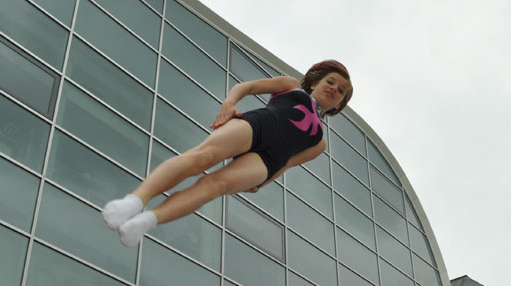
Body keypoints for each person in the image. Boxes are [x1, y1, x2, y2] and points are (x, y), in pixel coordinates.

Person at [102, 60, 352, 247]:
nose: (334, 89)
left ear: (339, 104)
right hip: (258, 127)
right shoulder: (291, 86)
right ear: (315, 82)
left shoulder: (319, 143)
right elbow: (247, 86)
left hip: (269, 160)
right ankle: (135, 201)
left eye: (340, 91)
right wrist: (229, 103)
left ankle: (147, 221)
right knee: (203, 157)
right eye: (330, 82)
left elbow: (288, 163)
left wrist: (265, 182)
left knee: (216, 186)